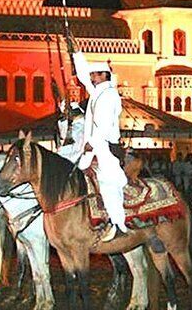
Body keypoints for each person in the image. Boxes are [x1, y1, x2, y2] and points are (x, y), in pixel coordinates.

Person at [71, 41, 127, 242]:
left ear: (104, 76)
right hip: (96, 147)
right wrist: (77, 54)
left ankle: (118, 223)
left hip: (105, 147)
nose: (92, 77)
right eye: (92, 74)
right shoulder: (98, 93)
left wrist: (91, 143)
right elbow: (83, 76)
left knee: (109, 182)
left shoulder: (109, 95)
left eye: (95, 74)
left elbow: (102, 124)